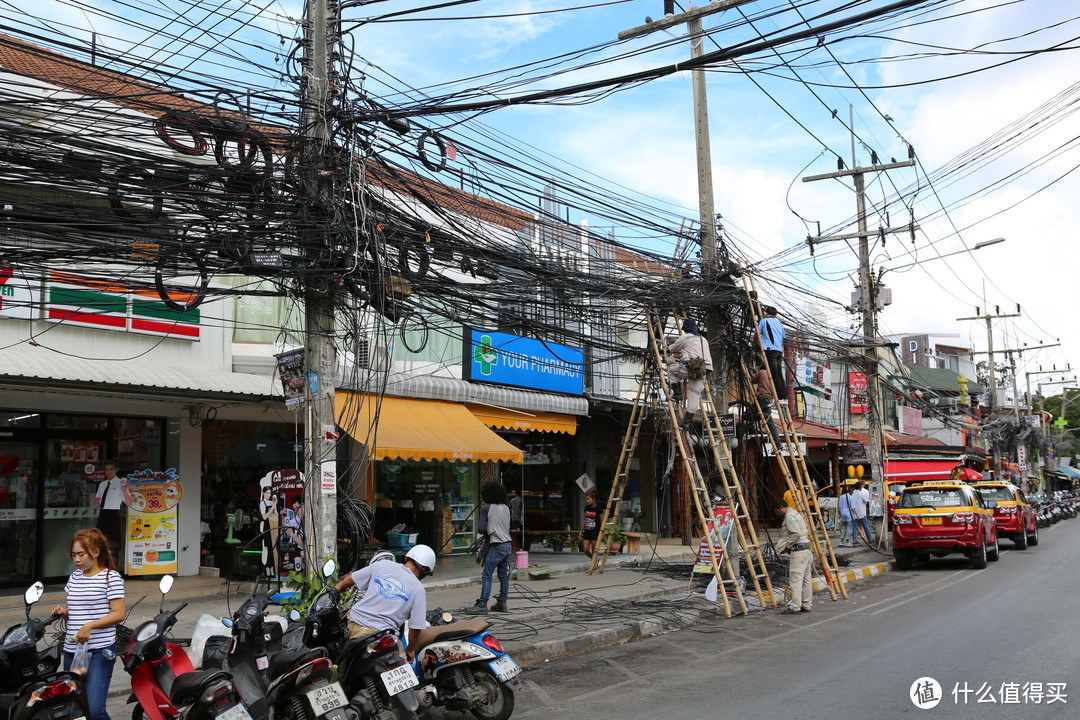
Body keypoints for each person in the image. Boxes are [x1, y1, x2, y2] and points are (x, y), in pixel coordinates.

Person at [51, 528, 126, 720]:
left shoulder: (110, 578)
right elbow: (76, 610)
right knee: (75, 707)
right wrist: (64, 612)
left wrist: (89, 626)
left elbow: (119, 614)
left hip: (98, 653)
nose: (76, 559)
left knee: (94, 709)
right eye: (73, 555)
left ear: (96, 552)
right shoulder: (75, 577)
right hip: (72, 651)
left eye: (81, 554)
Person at [335, 546, 434, 660]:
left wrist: (336, 589)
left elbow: (351, 579)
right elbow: (415, 628)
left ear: (407, 558)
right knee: (401, 671)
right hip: (385, 636)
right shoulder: (418, 588)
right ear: (425, 570)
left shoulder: (382, 565)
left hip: (356, 625)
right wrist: (410, 650)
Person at [469, 481, 512, 614]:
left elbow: (481, 529)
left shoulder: (486, 508)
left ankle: (482, 604)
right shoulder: (506, 507)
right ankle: (502, 603)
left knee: (487, 575)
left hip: (496, 545)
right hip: (508, 545)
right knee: (503, 576)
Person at [666, 317, 713, 429]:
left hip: (689, 368)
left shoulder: (685, 337)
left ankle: (677, 394)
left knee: (671, 370)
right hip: (703, 371)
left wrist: (667, 348)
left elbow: (673, 348)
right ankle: (686, 422)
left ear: (685, 328)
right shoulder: (704, 339)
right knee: (694, 394)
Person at [773, 498, 812, 614]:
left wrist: (787, 546)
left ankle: (795, 606)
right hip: (806, 549)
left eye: (777, 512)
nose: (777, 514)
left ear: (781, 508)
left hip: (798, 551)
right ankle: (806, 604)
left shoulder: (790, 517)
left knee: (796, 580)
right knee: (806, 580)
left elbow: (796, 533)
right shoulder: (796, 514)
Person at [94, 461, 129, 561]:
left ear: (116, 470)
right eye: (107, 469)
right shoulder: (102, 484)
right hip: (103, 513)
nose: (109, 471)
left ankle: (114, 568)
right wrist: (95, 500)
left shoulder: (121, 483)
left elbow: (129, 503)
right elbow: (97, 502)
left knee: (114, 543)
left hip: (114, 513)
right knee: (100, 540)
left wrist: (125, 490)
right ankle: (101, 566)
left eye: (111, 469)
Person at [757, 306, 787, 403]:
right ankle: (784, 397)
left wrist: (757, 343)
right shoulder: (779, 324)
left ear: (766, 313)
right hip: (779, 351)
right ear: (776, 315)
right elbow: (783, 337)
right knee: (779, 374)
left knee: (774, 375)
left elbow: (757, 334)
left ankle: (780, 397)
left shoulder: (764, 321)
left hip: (770, 351)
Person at [752, 361, 781, 443]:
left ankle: (753, 429)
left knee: (748, 415)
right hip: (769, 400)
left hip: (762, 398)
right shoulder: (773, 376)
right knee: (770, 423)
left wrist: (756, 374)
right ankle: (777, 442)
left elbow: (753, 381)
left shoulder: (761, 372)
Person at [258, 485, 278, 578]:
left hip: (273, 525)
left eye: (270, 493)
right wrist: (272, 509)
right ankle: (267, 569)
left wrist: (275, 507)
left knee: (273, 548)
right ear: (263, 493)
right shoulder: (263, 503)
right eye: (267, 493)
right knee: (269, 547)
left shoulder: (271, 502)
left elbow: (275, 514)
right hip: (267, 526)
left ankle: (273, 569)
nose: (268, 495)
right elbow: (264, 516)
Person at [580, 489, 601, 559]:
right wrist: (581, 531)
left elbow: (602, 522)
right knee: (585, 550)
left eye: (589, 499)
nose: (587, 501)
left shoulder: (599, 509)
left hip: (595, 532)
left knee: (594, 550)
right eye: (586, 499)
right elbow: (585, 520)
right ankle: (595, 561)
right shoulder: (586, 508)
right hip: (587, 531)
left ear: (594, 499)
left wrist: (603, 534)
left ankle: (593, 564)